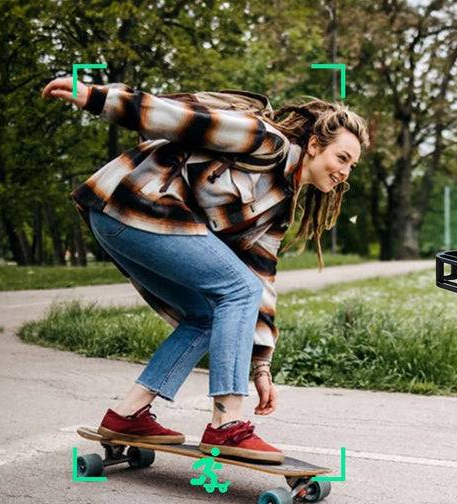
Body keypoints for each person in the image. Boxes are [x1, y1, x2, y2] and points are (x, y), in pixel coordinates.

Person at [42, 76, 369, 463]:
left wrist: (261, 364)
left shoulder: (280, 206)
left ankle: (127, 415)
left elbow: (262, 279)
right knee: (236, 289)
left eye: (352, 165)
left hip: (133, 223)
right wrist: (99, 99)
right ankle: (227, 424)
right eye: (342, 158)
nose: (345, 171)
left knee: (208, 313)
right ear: (314, 145)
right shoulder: (265, 140)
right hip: (132, 204)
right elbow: (182, 118)